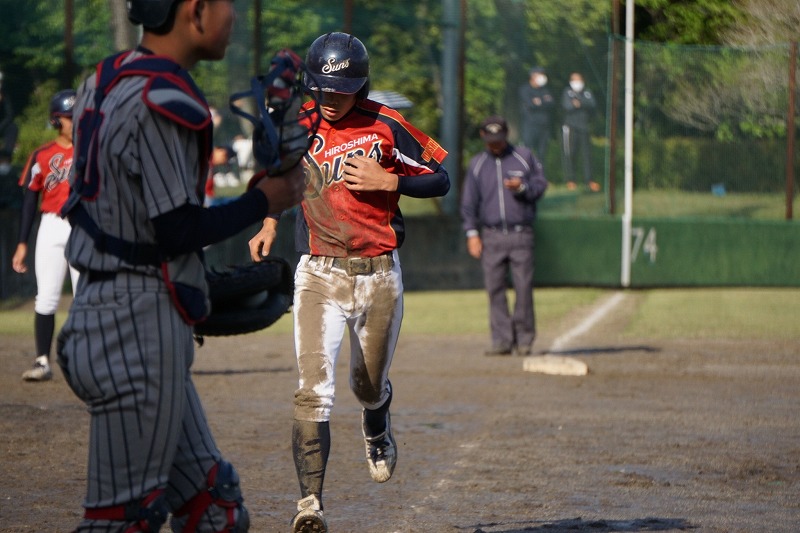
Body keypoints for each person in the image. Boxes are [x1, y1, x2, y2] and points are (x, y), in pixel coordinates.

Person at [55, 1, 305, 531]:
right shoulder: (164, 95)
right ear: (193, 11)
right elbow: (178, 231)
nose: (233, 15)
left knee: (213, 508)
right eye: (225, 4)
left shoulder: (103, 77)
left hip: (116, 306)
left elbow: (134, 220)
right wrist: (267, 200)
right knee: (122, 521)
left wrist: (193, 289)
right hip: (135, 328)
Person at [248, 31, 450, 533]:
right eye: (324, 90)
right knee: (312, 392)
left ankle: (377, 418)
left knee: (367, 383)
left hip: (380, 273)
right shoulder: (300, 123)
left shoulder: (386, 123)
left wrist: (393, 181)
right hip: (318, 271)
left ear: (361, 87)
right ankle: (309, 504)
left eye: (343, 91)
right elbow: (276, 173)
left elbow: (442, 175)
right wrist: (270, 221)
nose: (332, 99)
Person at [460, 115, 548, 356]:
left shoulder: (524, 156)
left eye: (498, 140)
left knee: (523, 287)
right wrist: (472, 234)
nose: (495, 145)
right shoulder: (477, 164)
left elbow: (541, 185)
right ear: (483, 137)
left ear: (507, 135)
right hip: (491, 235)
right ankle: (501, 340)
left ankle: (524, 339)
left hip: (521, 234)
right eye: (490, 140)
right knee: (494, 288)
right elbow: (469, 203)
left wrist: (523, 188)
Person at [12, 89, 80, 381]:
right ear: (55, 121)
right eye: (68, 117)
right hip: (51, 225)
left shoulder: (93, 151)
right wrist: (22, 243)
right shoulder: (42, 155)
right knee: (46, 298)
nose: (74, 122)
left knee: (85, 297)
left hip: (84, 225)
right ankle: (42, 361)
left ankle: (84, 359)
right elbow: (29, 200)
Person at [560, 71, 599, 191]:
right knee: (570, 154)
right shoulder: (567, 92)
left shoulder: (587, 92)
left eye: (579, 80)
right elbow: (567, 106)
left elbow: (592, 104)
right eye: (574, 80)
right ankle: (571, 180)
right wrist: (579, 104)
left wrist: (579, 103)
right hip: (570, 127)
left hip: (584, 127)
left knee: (587, 155)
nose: (577, 82)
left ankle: (589, 180)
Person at [518, 66, 554, 161]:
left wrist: (539, 102)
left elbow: (551, 104)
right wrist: (543, 102)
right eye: (540, 75)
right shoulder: (525, 89)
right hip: (530, 124)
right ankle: (526, 174)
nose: (543, 77)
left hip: (544, 126)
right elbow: (530, 104)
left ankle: (539, 174)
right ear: (533, 76)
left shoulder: (545, 90)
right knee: (527, 152)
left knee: (542, 154)